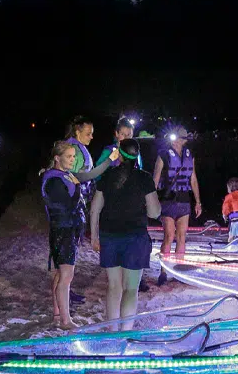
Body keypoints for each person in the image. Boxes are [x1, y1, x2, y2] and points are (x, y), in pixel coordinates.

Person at [90, 138, 161, 329]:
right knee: (131, 289)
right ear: (137, 156)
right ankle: (125, 332)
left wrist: (94, 236)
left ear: (119, 155)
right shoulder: (144, 178)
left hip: (109, 236)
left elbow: (95, 209)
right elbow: (155, 212)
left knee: (114, 287)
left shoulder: (107, 176)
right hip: (135, 238)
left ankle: (112, 331)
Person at [40, 141, 85, 329]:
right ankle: (66, 321)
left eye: (74, 156)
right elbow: (66, 205)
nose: (73, 160)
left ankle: (58, 314)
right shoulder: (54, 180)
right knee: (66, 276)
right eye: (69, 156)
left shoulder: (64, 176)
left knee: (61, 275)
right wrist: (78, 190)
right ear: (57, 158)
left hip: (67, 230)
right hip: (63, 231)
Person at [152, 126, 202, 260]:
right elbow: (155, 180)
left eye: (179, 139)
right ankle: (164, 271)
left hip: (184, 200)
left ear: (184, 140)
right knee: (169, 235)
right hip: (168, 200)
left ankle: (178, 267)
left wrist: (198, 202)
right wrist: (151, 200)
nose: (175, 141)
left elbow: (193, 179)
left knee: (181, 237)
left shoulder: (189, 155)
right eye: (173, 138)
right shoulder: (163, 154)